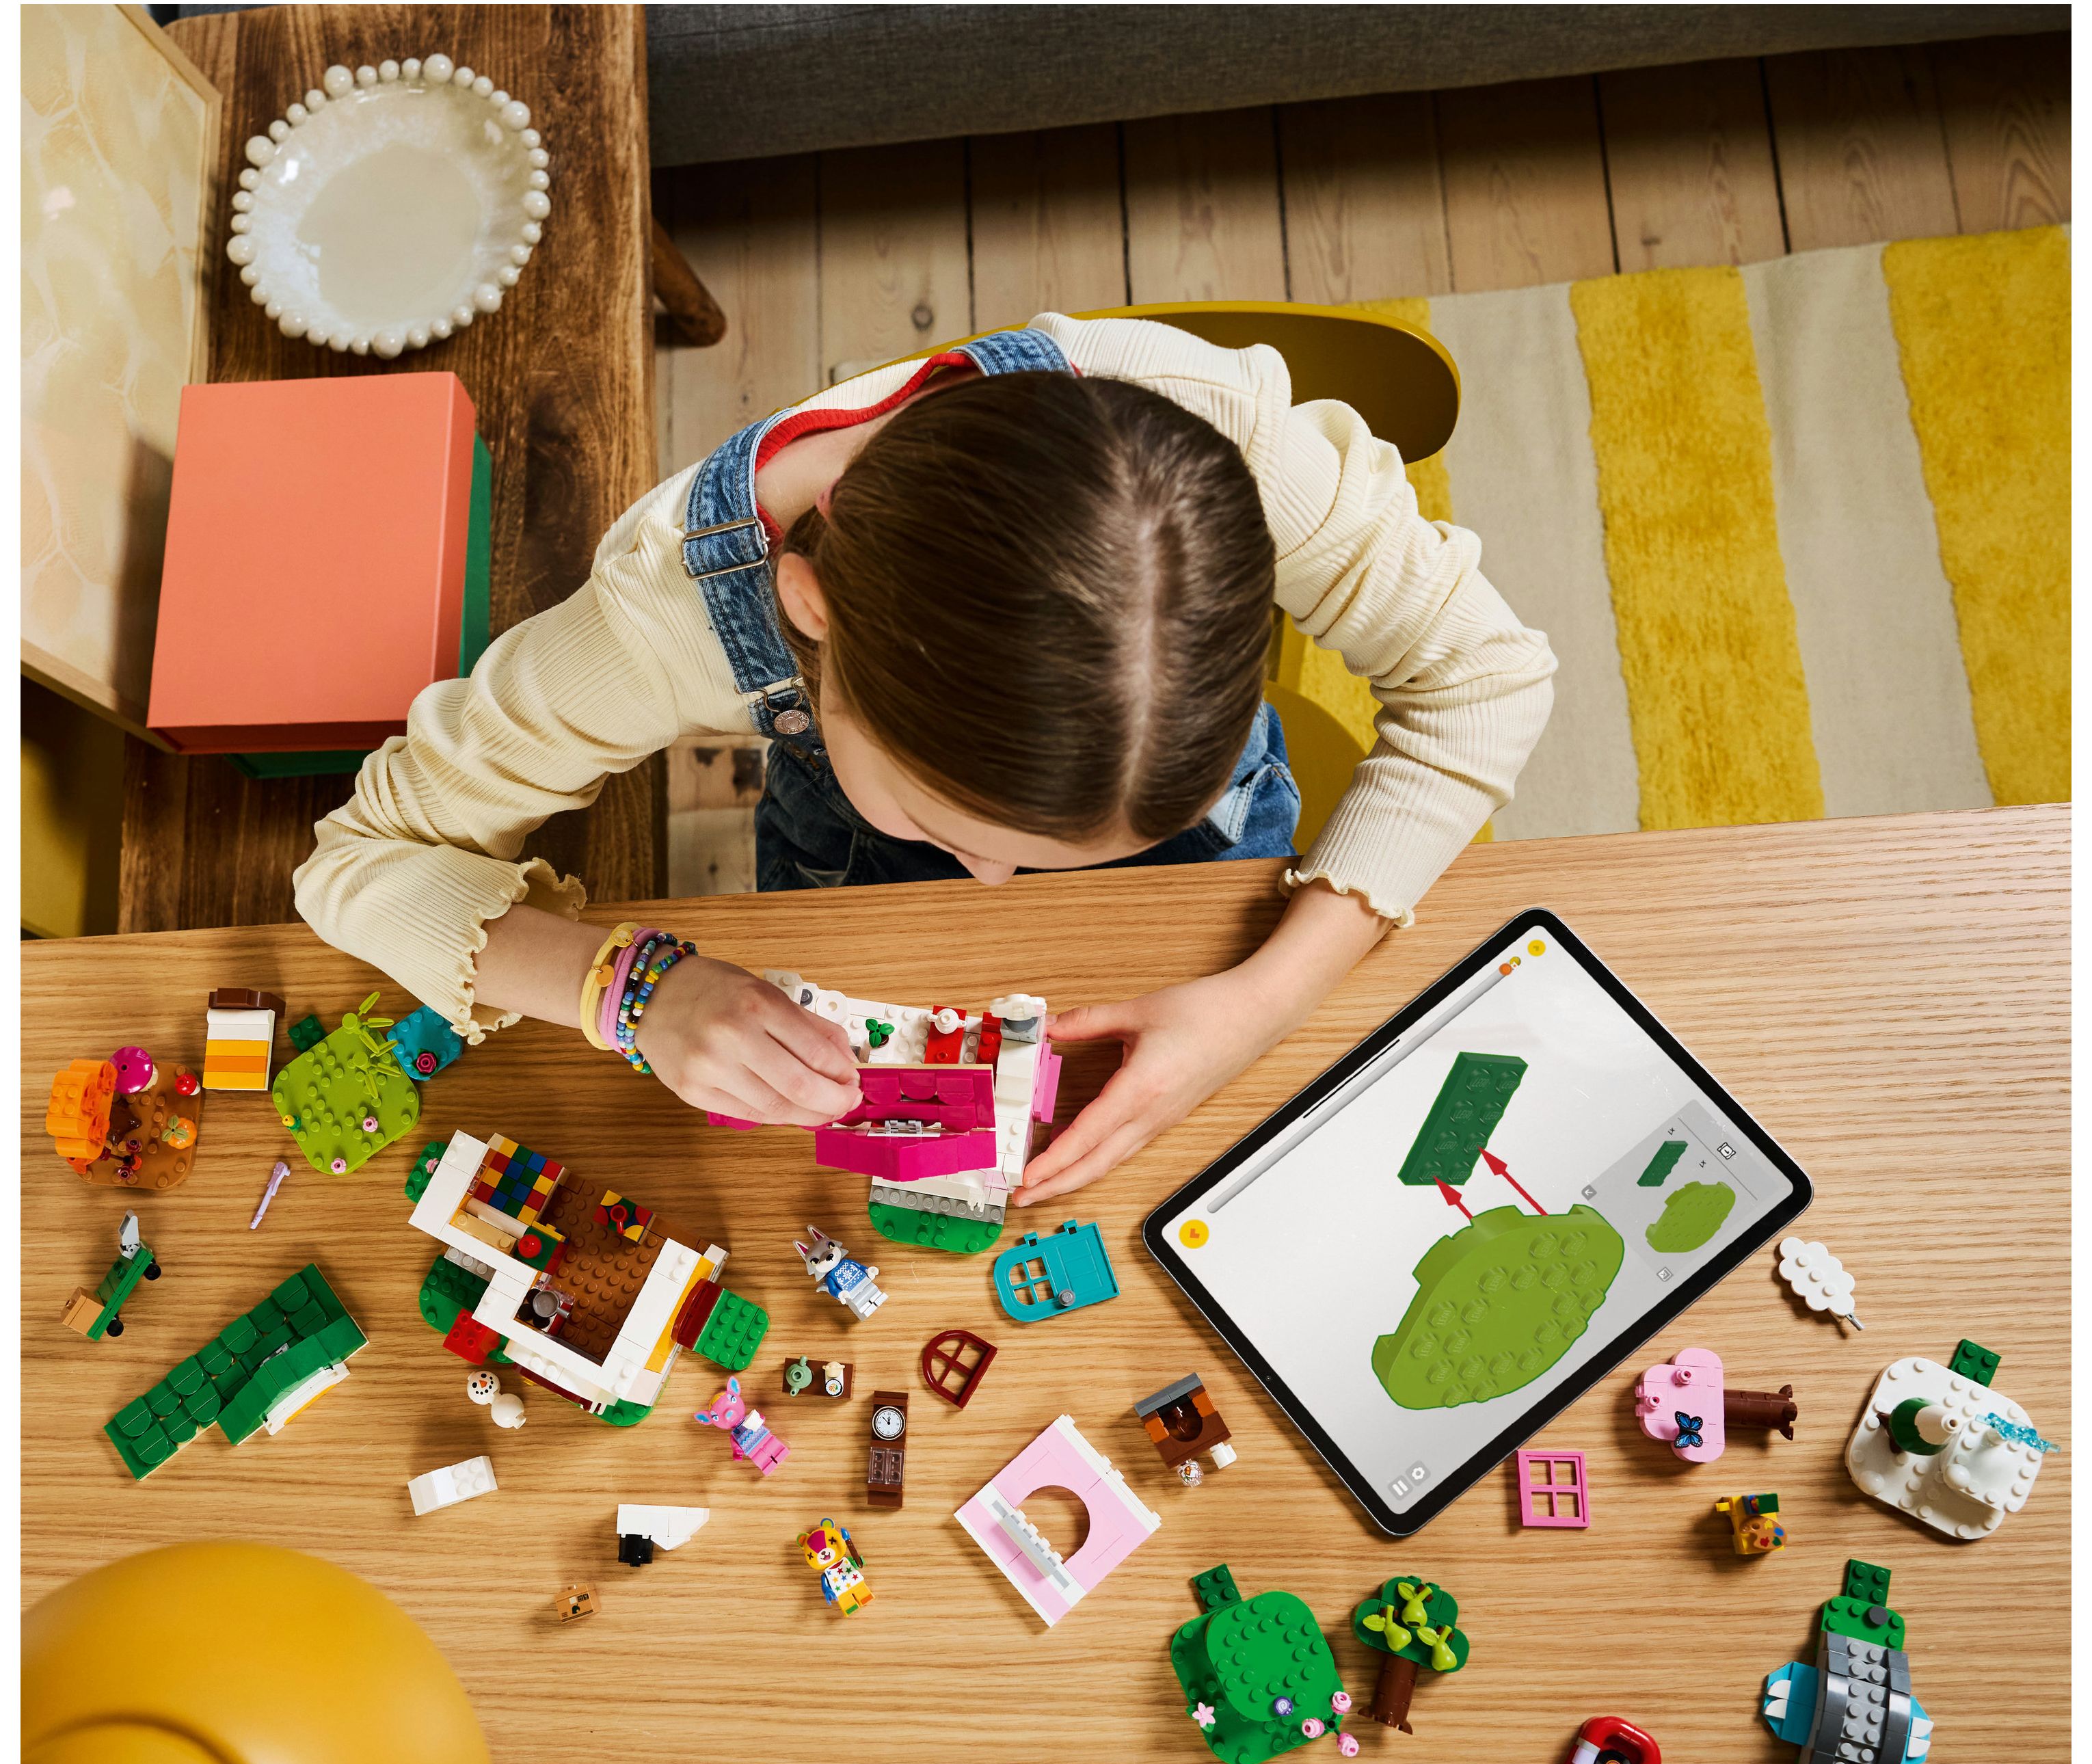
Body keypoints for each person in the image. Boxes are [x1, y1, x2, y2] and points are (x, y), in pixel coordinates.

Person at [293, 313, 1555, 1205]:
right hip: (848, 884)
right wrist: (629, 991)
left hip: (1213, 913)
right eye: (951, 833)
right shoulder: (657, 623)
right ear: (811, 615)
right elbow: (358, 862)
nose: (993, 892)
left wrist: (1262, 1001)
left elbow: (1486, 679)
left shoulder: (1222, 437)